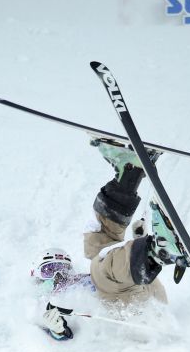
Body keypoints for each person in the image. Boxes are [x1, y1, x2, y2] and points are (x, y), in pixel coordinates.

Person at [33, 142, 176, 340]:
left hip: (140, 295)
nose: (58, 274)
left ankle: (129, 174)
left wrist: (136, 244)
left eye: (63, 268)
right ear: (36, 277)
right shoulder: (43, 305)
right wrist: (58, 331)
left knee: (95, 247)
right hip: (135, 314)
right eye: (49, 270)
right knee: (99, 266)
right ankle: (155, 252)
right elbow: (60, 341)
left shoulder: (78, 284)